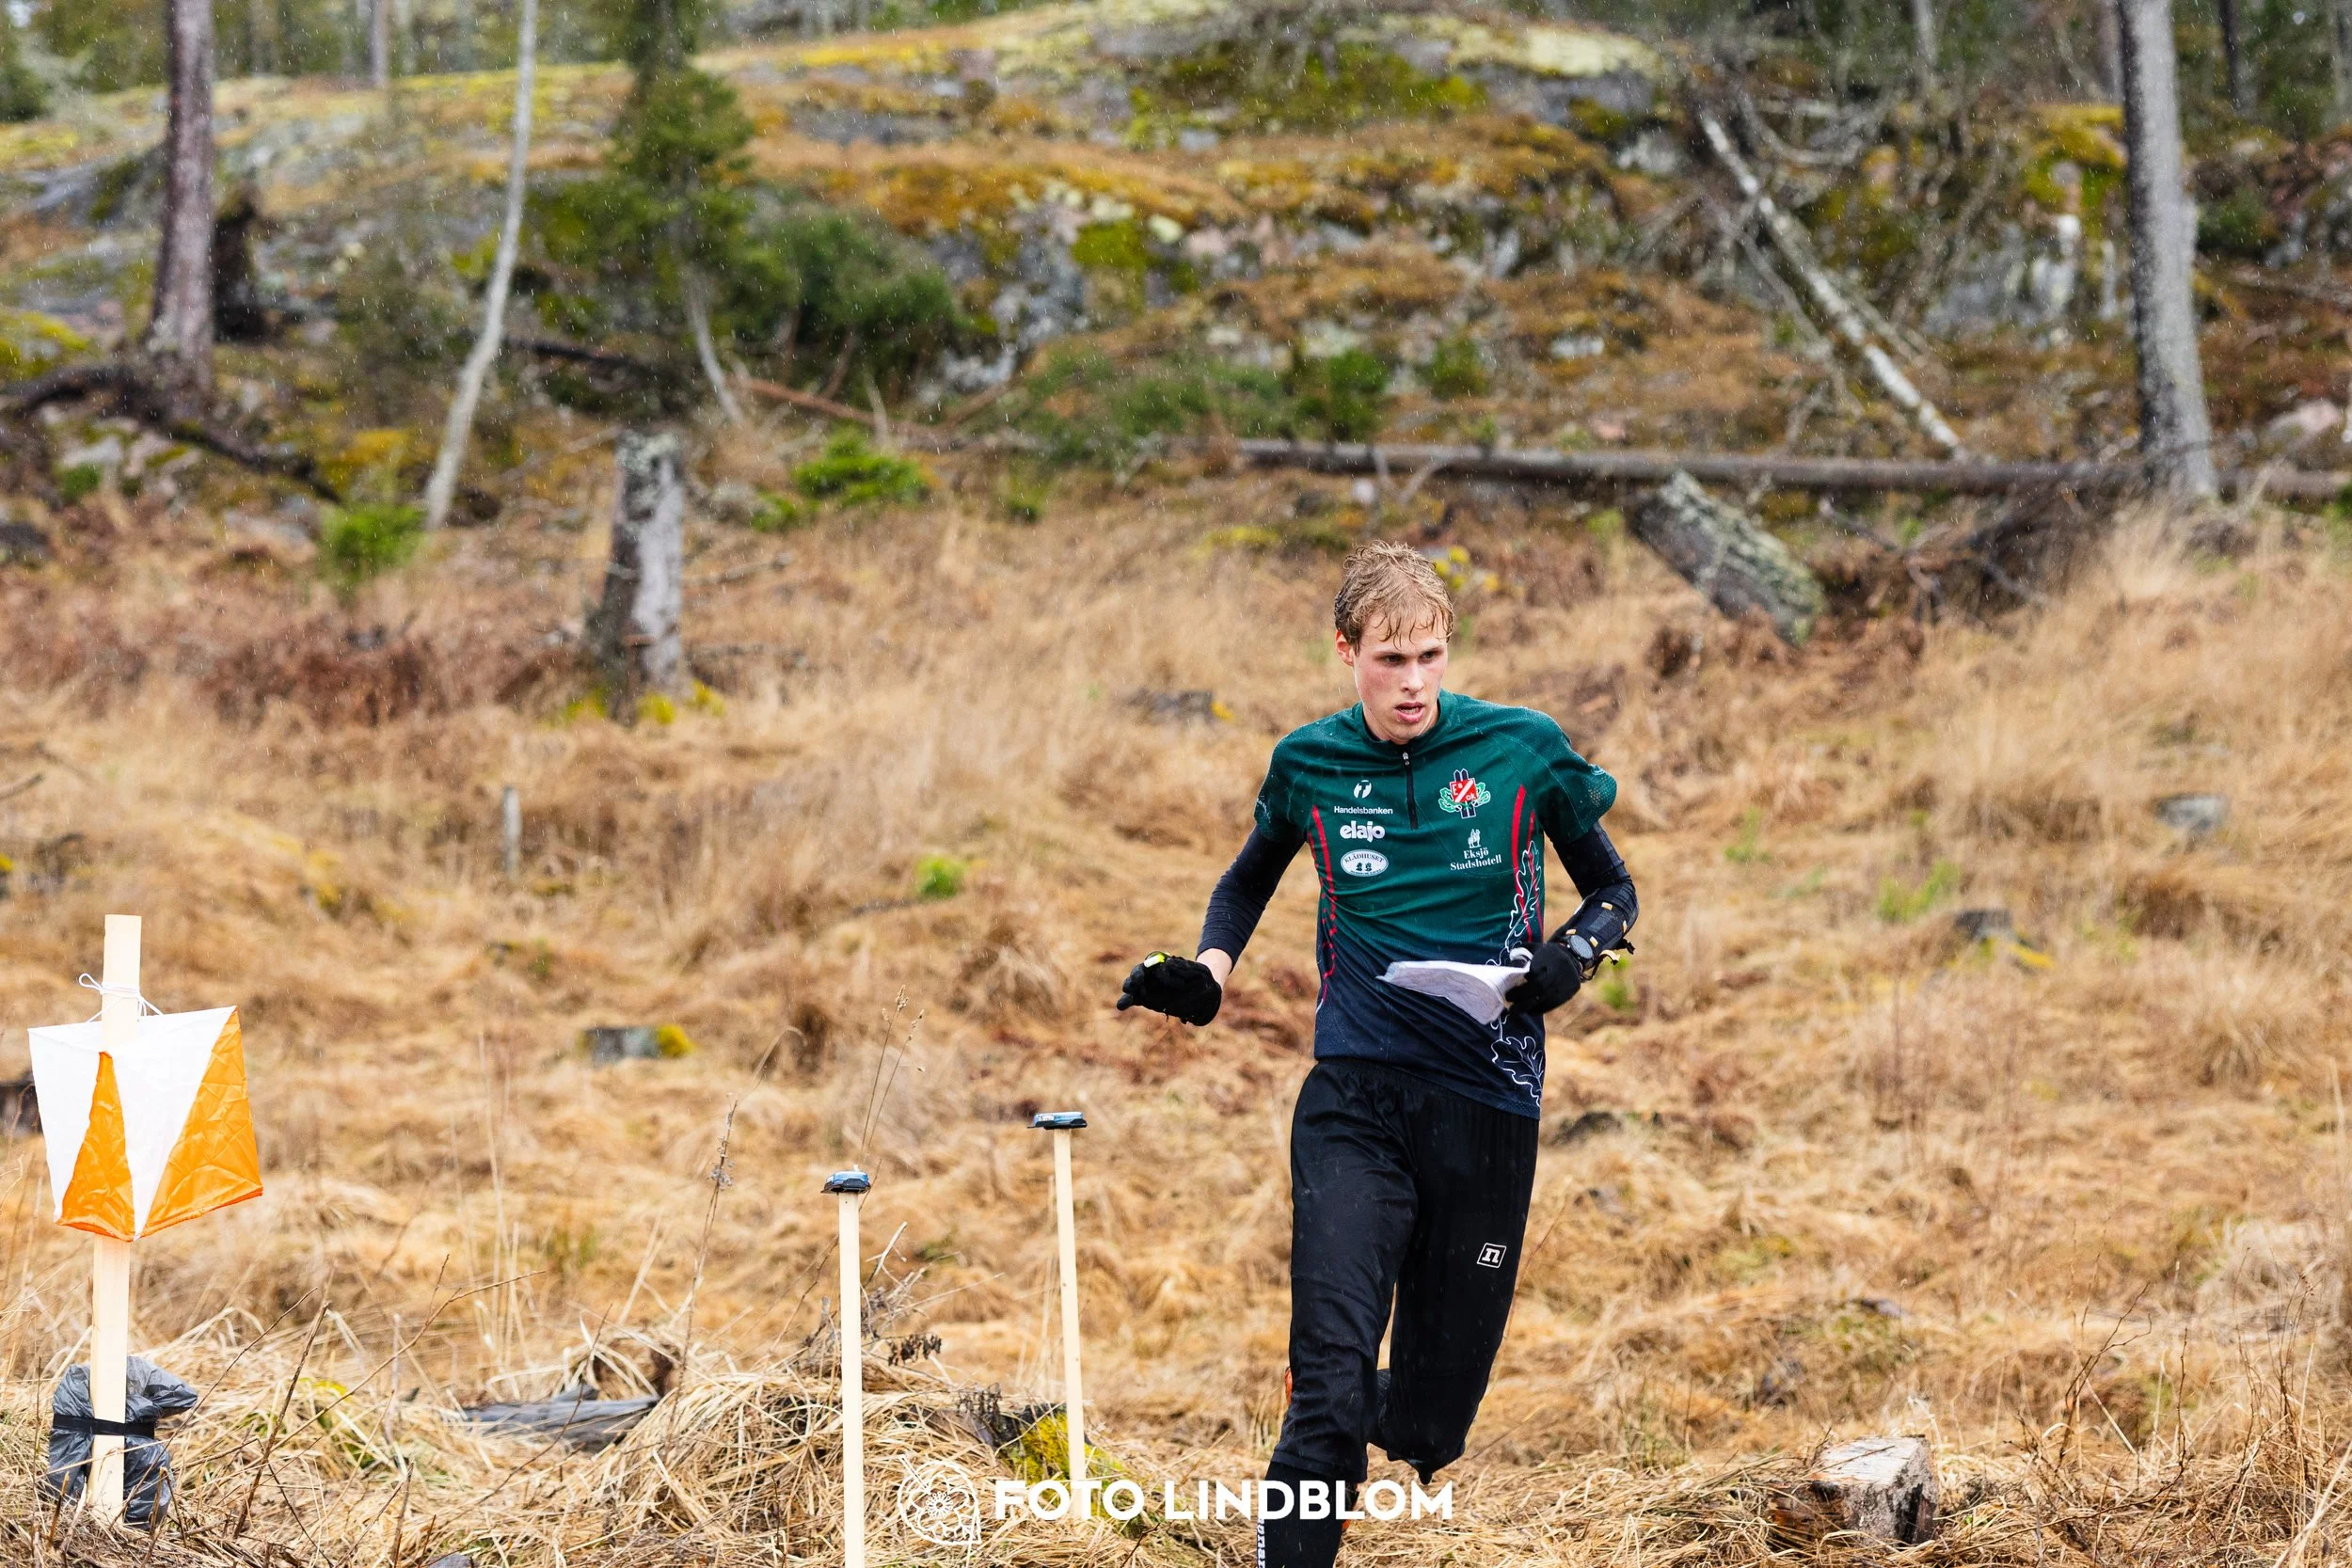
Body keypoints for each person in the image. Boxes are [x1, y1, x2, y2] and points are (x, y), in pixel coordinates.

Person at [1117, 541, 1638, 1568]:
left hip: (1486, 1104)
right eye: (1390, 660)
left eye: (1430, 657)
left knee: (1429, 1426)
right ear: (1346, 651)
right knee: (1330, 1387)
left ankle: (1383, 1407)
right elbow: (1248, 874)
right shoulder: (1307, 762)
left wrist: (1572, 953)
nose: (1412, 684)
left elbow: (1614, 891)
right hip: (1354, 1095)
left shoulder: (1521, 750)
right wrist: (1212, 971)